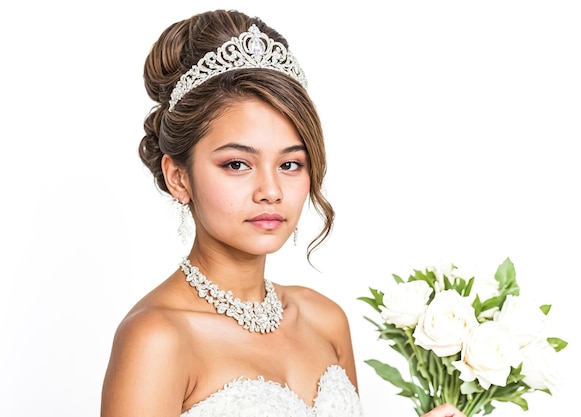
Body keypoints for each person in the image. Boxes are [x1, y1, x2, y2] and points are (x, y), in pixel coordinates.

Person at [100, 8, 467, 417]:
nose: (271, 191)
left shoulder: (325, 320)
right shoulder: (157, 337)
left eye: (290, 164)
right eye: (237, 164)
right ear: (179, 177)